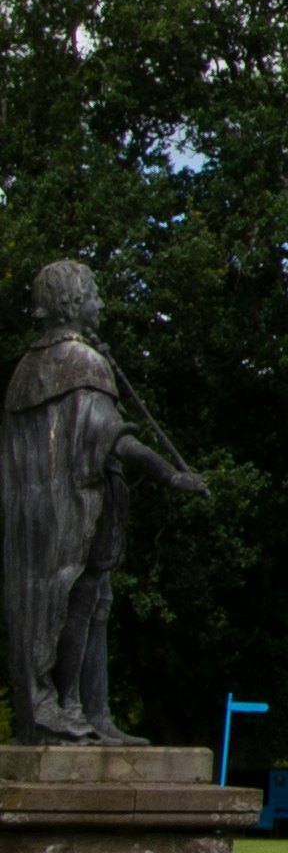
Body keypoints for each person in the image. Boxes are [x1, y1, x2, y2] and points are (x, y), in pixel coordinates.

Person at [2, 262, 208, 746]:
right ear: (73, 302)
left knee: (95, 597)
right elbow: (112, 437)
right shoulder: (81, 362)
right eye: (94, 294)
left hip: (46, 516)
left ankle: (95, 710)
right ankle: (69, 706)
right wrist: (170, 474)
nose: (101, 303)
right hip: (67, 512)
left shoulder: (27, 370)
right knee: (78, 598)